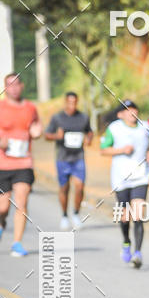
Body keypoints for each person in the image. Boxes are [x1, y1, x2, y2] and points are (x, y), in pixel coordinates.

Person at [0, 73, 42, 256]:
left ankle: (17, 242)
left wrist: (37, 131)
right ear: (5, 88)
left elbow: (36, 126)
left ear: (22, 86)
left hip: (24, 162)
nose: (14, 88)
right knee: (3, 207)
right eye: (10, 85)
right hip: (0, 163)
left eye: (16, 84)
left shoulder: (31, 108)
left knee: (22, 203)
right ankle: (1, 223)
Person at [100, 99, 149, 268]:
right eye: (128, 110)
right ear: (121, 114)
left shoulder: (145, 127)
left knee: (138, 215)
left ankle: (138, 253)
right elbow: (103, 149)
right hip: (121, 178)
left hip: (141, 177)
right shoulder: (114, 128)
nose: (132, 112)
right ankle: (126, 241)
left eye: (134, 109)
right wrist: (121, 150)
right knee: (125, 216)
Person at [45, 91, 93, 229]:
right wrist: (56, 136)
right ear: (65, 102)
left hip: (78, 158)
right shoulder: (58, 118)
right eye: (69, 102)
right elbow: (47, 135)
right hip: (63, 158)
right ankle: (64, 215)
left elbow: (89, 131)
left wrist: (89, 138)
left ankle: (76, 214)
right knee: (64, 188)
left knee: (79, 186)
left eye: (74, 102)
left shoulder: (83, 117)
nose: (72, 105)